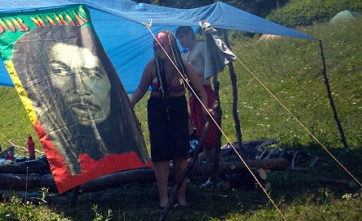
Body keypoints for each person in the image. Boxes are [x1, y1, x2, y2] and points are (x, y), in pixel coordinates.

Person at [11, 24, 149, 175]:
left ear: (110, 81)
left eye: (92, 73)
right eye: (61, 71)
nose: (79, 87)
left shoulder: (128, 153)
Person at [130, 30, 211, 207]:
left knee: (180, 152)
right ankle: (163, 197)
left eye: (161, 46)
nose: (157, 50)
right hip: (157, 109)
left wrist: (205, 108)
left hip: (178, 108)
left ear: (171, 46)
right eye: (155, 47)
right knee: (160, 153)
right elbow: (141, 89)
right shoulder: (152, 66)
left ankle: (180, 196)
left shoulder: (183, 66)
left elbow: (200, 91)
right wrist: (130, 104)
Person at [175, 26, 218, 167]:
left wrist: (192, 76)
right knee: (201, 134)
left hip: (204, 91)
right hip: (193, 95)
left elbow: (211, 67)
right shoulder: (187, 54)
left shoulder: (201, 46)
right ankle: (211, 171)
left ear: (189, 34)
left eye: (182, 36)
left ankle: (219, 171)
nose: (180, 40)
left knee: (210, 133)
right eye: (178, 38)